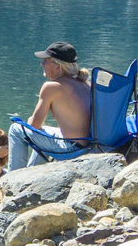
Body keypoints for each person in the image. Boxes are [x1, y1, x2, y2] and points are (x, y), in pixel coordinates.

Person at [8, 41, 93, 171]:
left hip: (71, 150)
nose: (42, 64)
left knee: (16, 129)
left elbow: (34, 125)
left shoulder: (52, 87)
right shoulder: (86, 84)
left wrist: (30, 121)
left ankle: (12, 178)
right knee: (44, 132)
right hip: (89, 146)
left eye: (46, 61)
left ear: (57, 66)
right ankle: (31, 174)